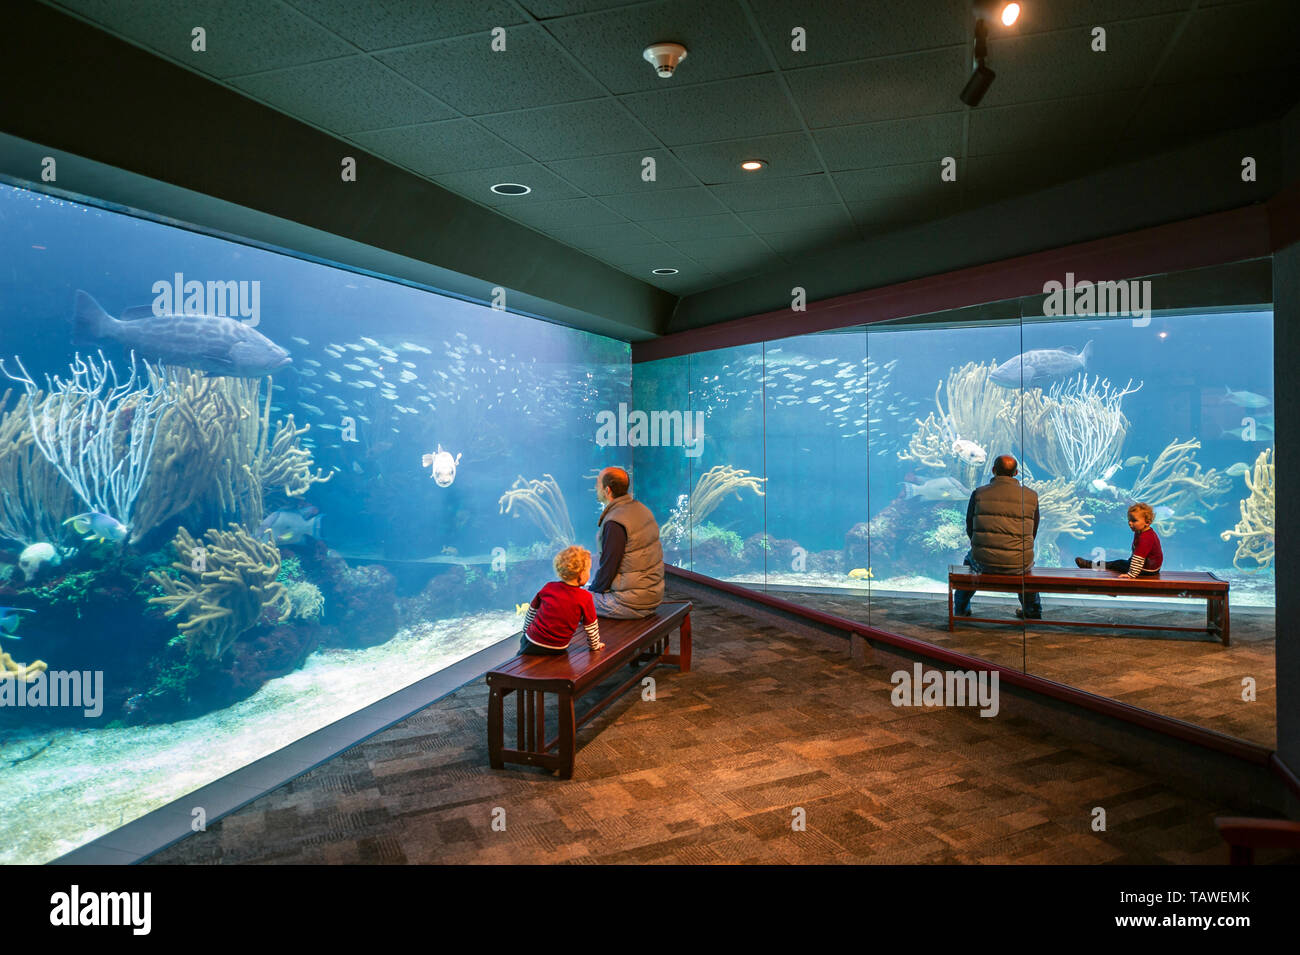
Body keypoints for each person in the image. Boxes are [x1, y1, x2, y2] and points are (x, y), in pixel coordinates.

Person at [952, 454, 1043, 619]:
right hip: (1019, 562)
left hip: (983, 562)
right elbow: (1033, 531)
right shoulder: (1031, 496)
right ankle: (1033, 610)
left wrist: (982, 545)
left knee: (969, 562)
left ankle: (961, 609)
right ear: (1016, 473)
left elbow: (969, 527)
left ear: (993, 470)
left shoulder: (978, 493)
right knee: (1026, 566)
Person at [589, 466, 664, 618]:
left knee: (572, 599)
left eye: (597, 483)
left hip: (629, 604)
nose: (595, 487)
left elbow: (608, 568)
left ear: (607, 490)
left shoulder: (615, 521)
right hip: (652, 596)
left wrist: (592, 591)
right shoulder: (641, 509)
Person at [518, 545, 604, 655]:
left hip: (532, 640)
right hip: (557, 647)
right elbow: (591, 626)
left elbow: (532, 610)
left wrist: (525, 631)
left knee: (521, 656)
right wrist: (595, 646)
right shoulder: (585, 597)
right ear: (582, 574)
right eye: (589, 570)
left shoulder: (548, 587)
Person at [1074, 502, 1163, 577]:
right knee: (1118, 563)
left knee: (1116, 564)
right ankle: (1092, 565)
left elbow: (1139, 558)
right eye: (1129, 520)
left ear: (1147, 522)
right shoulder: (1141, 532)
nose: (1130, 523)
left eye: (1134, 520)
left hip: (1147, 570)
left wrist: (1131, 575)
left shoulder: (1146, 537)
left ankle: (1090, 565)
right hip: (1149, 567)